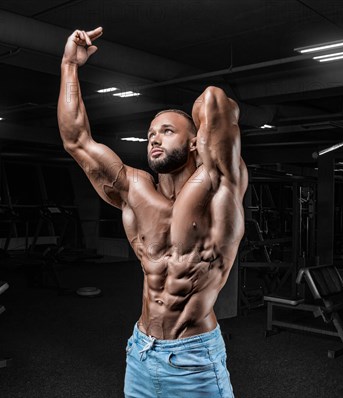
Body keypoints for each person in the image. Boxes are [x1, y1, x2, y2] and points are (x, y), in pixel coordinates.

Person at [57, 26, 247, 398]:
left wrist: (199, 129)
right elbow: (76, 139)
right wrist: (69, 64)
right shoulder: (135, 191)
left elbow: (213, 101)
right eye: (149, 135)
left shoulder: (218, 188)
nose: (154, 139)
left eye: (166, 131)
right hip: (140, 353)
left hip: (194, 359)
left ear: (195, 142)